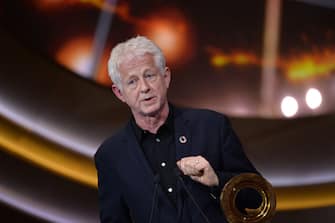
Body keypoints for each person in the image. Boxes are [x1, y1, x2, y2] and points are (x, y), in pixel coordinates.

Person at [94, 36, 259, 223]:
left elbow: (257, 197)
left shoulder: (212, 127)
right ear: (119, 93)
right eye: (132, 82)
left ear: (166, 77)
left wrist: (217, 180)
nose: (144, 88)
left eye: (149, 75)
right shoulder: (110, 155)